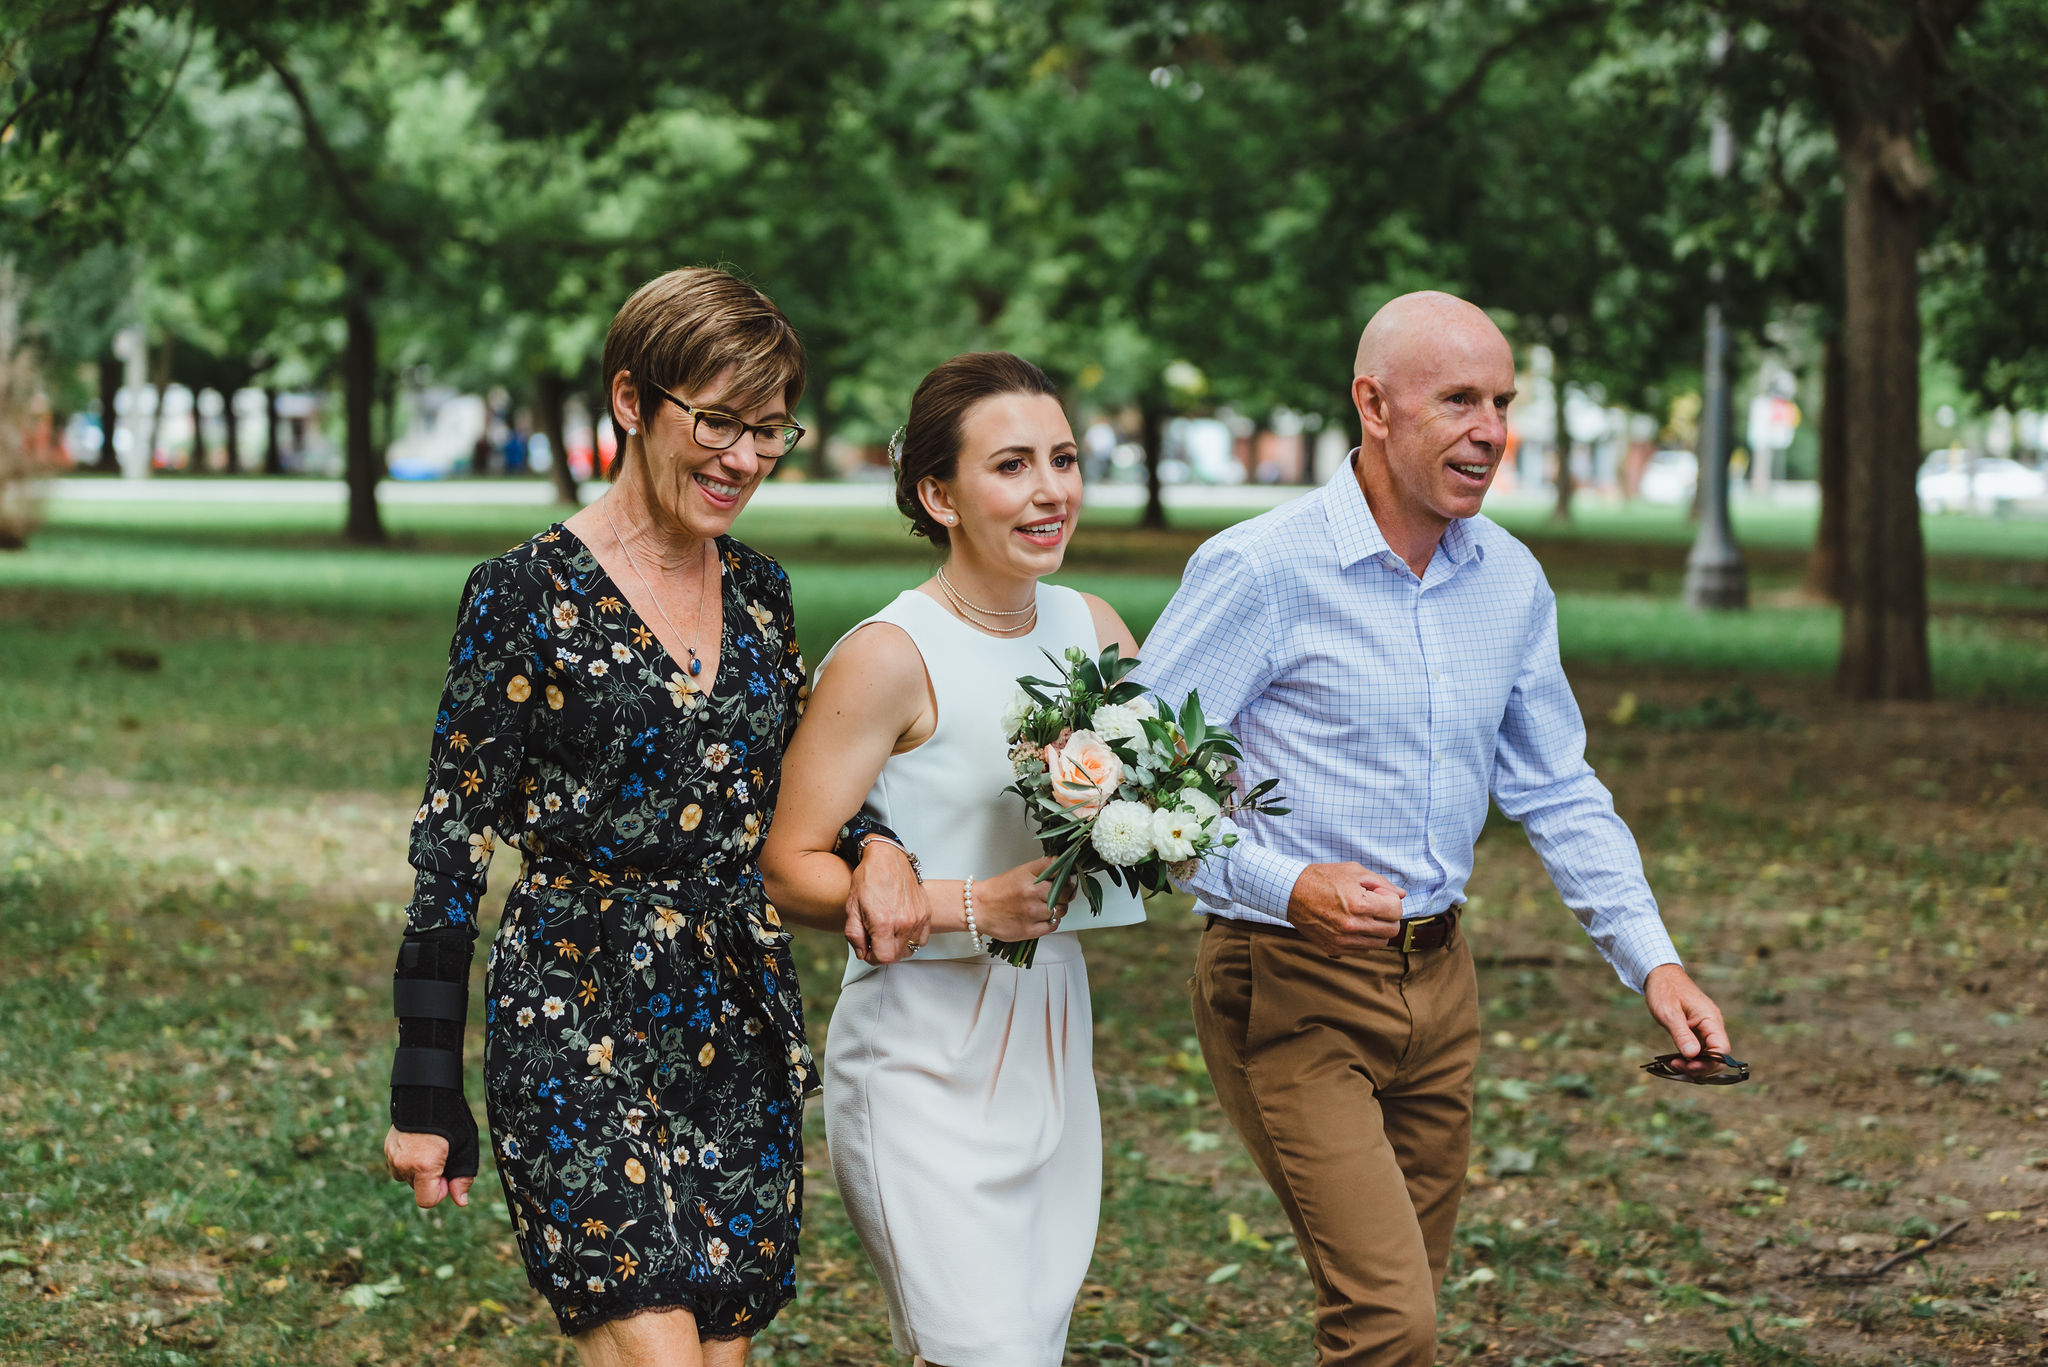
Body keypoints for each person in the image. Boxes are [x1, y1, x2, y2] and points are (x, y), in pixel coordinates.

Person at [1132, 291, 1737, 1366]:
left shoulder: (1505, 579)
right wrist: (1283, 882)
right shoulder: (1261, 570)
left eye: (1501, 401)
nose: (1490, 428)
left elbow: (1555, 786)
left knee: (1403, 1298)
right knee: (1387, 1321)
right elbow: (1123, 783)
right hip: (1289, 981)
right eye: (1458, 398)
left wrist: (1653, 961)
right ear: (1371, 403)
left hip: (1439, 986)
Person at [381, 267, 837, 1365]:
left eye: (770, 431)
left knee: (719, 1353)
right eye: (719, 420)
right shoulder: (520, 594)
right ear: (632, 401)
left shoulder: (764, 593)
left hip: (734, 1011)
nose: (744, 458)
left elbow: (796, 790)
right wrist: (424, 1085)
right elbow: (452, 847)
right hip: (573, 1005)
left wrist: (875, 854)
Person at [759, 352, 1147, 1367]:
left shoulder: (1093, 629)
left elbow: (1147, 811)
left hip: (1053, 1027)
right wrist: (965, 904)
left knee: (1028, 1342)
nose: (1049, 489)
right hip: (920, 1043)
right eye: (1011, 464)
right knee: (981, 1350)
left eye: (1061, 459)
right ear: (938, 493)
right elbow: (783, 863)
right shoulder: (890, 652)